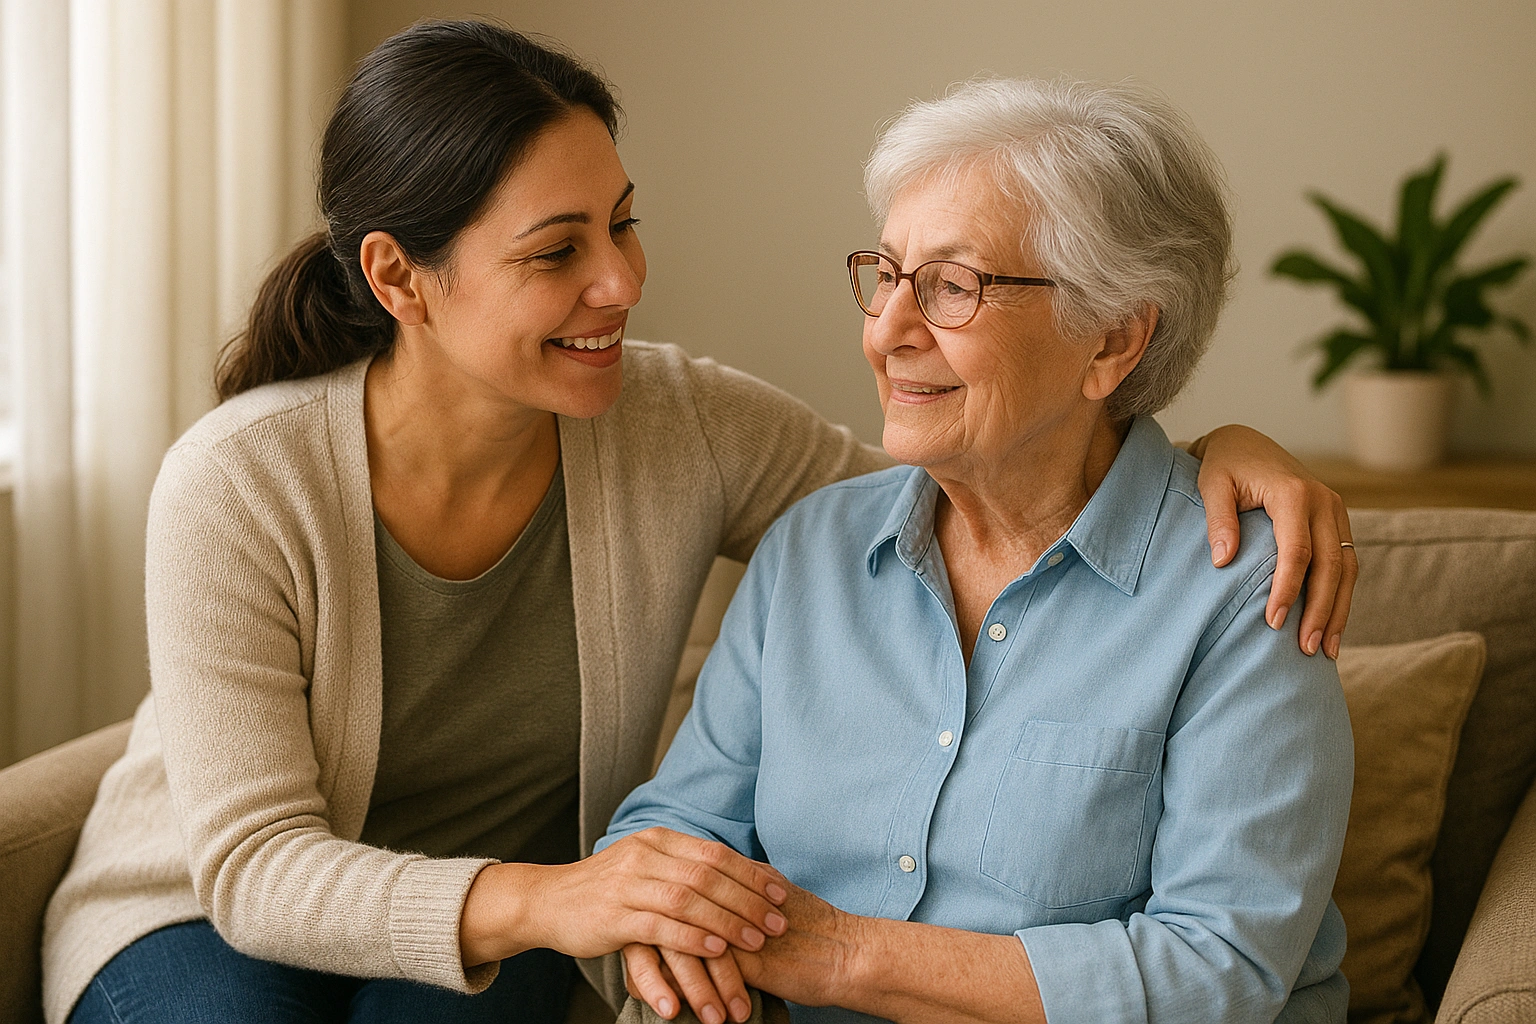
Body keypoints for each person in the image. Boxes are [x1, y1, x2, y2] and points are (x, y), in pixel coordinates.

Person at [43, 23, 1355, 1024]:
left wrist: (1212, 448)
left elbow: (986, 488)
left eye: (621, 226)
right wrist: (589, 902)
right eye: (557, 252)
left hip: (514, 923)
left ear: (1117, 337)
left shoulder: (703, 436)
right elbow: (263, 864)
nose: (623, 282)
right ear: (399, 277)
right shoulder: (242, 480)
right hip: (230, 909)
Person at [605, 79, 1354, 1024]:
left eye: (953, 288)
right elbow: (675, 828)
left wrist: (831, 954)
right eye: (886, 275)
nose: (886, 332)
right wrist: (663, 923)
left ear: (1114, 340)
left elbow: (1219, 971)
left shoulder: (1246, 585)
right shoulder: (812, 551)